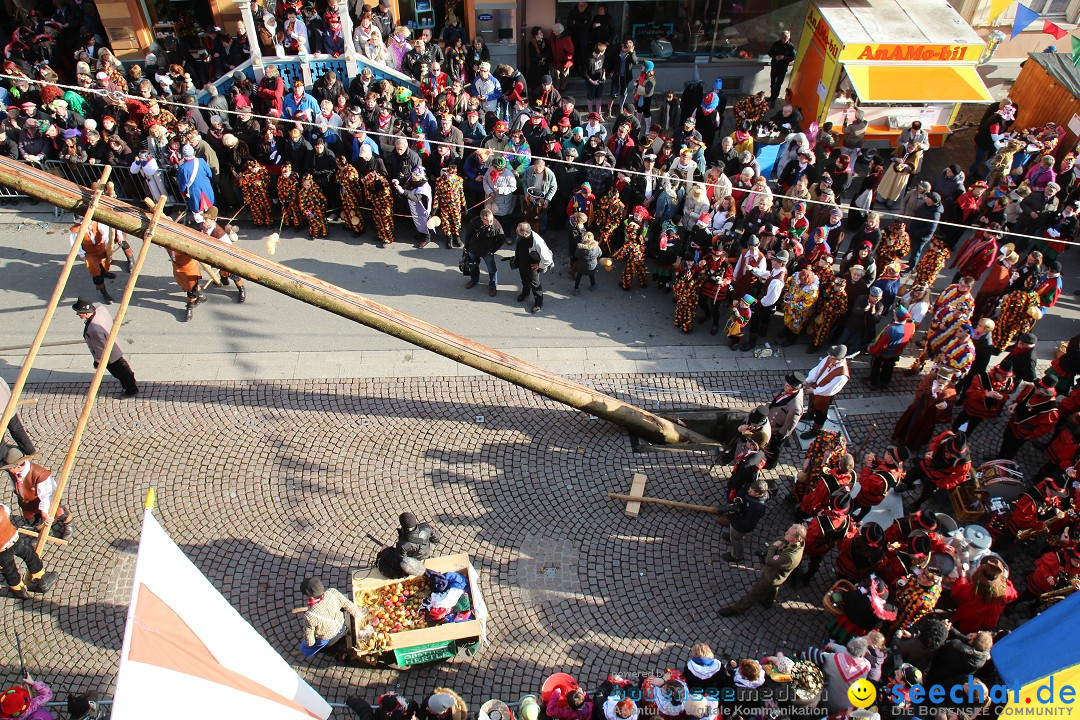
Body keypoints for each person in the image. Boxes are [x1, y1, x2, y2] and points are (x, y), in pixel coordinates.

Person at [718, 523, 805, 615]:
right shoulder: (797, 543)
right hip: (777, 577)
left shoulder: (790, 557)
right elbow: (781, 541)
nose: (786, 533)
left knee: (754, 594)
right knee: (773, 588)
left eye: (789, 533)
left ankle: (736, 609)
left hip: (770, 577)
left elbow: (769, 560)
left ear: (796, 539)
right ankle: (767, 602)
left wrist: (774, 547)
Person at [72, 297, 137, 397]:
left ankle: (131, 389)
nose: (77, 314)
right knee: (123, 368)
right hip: (113, 345)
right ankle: (131, 382)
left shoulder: (94, 329)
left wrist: (97, 362)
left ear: (85, 313)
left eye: (79, 312)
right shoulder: (100, 310)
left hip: (110, 355)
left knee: (119, 372)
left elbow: (100, 348)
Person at [2, 449, 73, 540]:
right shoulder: (11, 472)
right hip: (28, 505)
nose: (8, 469)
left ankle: (69, 523)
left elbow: (47, 495)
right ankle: (45, 533)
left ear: (17, 466)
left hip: (44, 501)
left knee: (59, 513)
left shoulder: (40, 475)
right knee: (33, 520)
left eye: (10, 467)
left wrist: (44, 511)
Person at [298, 576, 368, 660]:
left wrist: (310, 643)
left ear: (310, 597)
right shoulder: (332, 592)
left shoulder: (310, 616)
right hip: (341, 627)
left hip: (327, 638)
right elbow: (350, 607)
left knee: (305, 647)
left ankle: (305, 653)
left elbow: (310, 641)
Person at [0, 498, 58, 598]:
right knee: (30, 556)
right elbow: (7, 510)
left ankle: (19, 590)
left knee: (9, 570)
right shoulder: (1, 510)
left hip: (1, 551)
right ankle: (42, 580)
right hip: (15, 540)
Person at [906, 429, 972, 508]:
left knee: (927, 493)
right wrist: (932, 452)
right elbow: (936, 442)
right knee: (910, 475)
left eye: (954, 455)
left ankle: (917, 504)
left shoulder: (964, 463)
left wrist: (941, 483)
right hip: (927, 464)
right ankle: (907, 485)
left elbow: (957, 478)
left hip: (937, 477)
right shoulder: (947, 436)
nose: (949, 455)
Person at [999, 375, 1059, 459]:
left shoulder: (1050, 408)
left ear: (1045, 392)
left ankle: (1004, 462)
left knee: (1012, 448)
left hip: (1023, 431)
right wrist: (1015, 404)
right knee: (1006, 439)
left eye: (1039, 388)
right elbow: (1021, 398)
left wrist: (1031, 436)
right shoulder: (1032, 390)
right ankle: (998, 457)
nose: (1036, 387)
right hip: (1014, 422)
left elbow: (1045, 427)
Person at [953, 359, 1016, 435]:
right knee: (960, 421)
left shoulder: (1009, 382)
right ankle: (952, 432)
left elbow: (1006, 395)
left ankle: (966, 436)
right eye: (1003, 376)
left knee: (973, 425)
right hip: (973, 408)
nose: (1005, 379)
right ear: (997, 373)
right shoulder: (980, 378)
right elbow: (970, 393)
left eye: (1007, 377)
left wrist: (1002, 398)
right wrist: (985, 394)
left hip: (986, 411)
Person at [801, 345, 850, 439]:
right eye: (830, 357)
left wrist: (815, 391)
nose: (830, 360)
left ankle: (816, 430)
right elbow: (818, 370)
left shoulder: (842, 375)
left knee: (820, 413)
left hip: (824, 396)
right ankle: (810, 415)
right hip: (815, 388)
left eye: (833, 359)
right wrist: (808, 380)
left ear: (840, 359)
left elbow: (830, 389)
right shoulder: (829, 358)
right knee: (811, 403)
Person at [718, 478, 769, 564]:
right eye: (750, 490)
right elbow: (744, 489)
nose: (749, 491)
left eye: (752, 492)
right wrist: (737, 500)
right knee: (733, 534)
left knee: (737, 539)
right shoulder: (752, 488)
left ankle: (737, 555)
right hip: (738, 518)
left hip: (740, 525)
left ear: (759, 494)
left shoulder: (756, 508)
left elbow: (746, 524)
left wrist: (733, 515)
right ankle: (731, 536)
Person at [868, 305, 916, 390]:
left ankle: (872, 383)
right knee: (889, 367)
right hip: (896, 352)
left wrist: (872, 349)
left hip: (884, 352)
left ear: (896, 317)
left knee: (876, 367)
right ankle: (885, 382)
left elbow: (881, 345)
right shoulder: (911, 326)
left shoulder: (891, 329)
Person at [764, 373, 805, 469]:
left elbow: (789, 425)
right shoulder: (788, 391)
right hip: (772, 422)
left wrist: (779, 435)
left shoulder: (795, 407)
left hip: (777, 430)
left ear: (795, 388)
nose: (786, 385)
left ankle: (771, 464)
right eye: (787, 383)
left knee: (775, 448)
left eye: (789, 385)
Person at [463, 208, 506, 296]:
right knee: (473, 265)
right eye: (488, 221)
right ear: (482, 219)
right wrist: (466, 248)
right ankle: (474, 280)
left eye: (491, 220)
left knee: (491, 269)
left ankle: (493, 285)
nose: (490, 222)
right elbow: (467, 236)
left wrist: (493, 250)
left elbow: (502, 239)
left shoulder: (496, 225)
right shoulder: (474, 223)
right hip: (474, 248)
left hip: (487, 251)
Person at [513, 222, 554, 314]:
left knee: (535, 285)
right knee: (524, 279)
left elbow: (547, 259)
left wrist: (539, 265)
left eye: (517, 230)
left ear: (524, 233)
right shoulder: (522, 236)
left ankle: (538, 303)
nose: (516, 231)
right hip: (522, 263)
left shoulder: (537, 242)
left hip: (532, 266)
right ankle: (525, 292)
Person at [0, 377, 35, 455]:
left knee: (0, 440)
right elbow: (6, 389)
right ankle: (30, 450)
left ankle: (2, 459)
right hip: (9, 408)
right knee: (17, 429)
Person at [767, 31, 795, 103]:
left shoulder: (790, 47)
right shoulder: (776, 44)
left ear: (788, 37)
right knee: (773, 84)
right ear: (781, 37)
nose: (784, 39)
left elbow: (792, 57)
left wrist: (784, 58)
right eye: (783, 38)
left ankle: (774, 99)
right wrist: (775, 56)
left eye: (786, 38)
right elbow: (770, 52)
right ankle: (772, 96)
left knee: (778, 84)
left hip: (782, 69)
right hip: (775, 66)